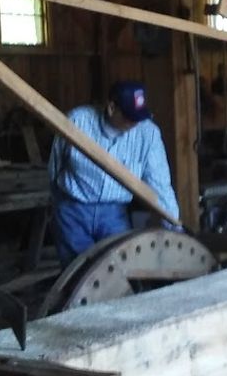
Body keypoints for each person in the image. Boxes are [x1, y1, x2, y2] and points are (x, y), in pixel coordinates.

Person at [48, 80, 180, 266]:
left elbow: (160, 183)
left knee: (121, 270)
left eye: (139, 117)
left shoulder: (148, 134)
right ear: (111, 108)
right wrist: (58, 203)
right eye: (129, 117)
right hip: (73, 212)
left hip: (114, 214)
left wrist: (173, 224)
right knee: (77, 272)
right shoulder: (77, 121)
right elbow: (55, 165)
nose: (136, 122)